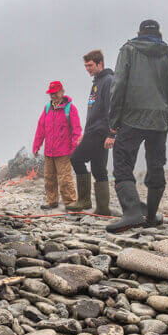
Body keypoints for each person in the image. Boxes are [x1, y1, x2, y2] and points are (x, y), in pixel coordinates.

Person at [104, 20, 168, 233]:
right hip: (160, 120)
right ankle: (152, 216)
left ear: (139, 33)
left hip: (132, 117)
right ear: (159, 34)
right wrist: (167, 122)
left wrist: (114, 121)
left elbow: (118, 86)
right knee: (156, 165)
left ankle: (132, 213)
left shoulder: (129, 50)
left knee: (123, 162)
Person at [66, 50, 114, 215]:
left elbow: (111, 110)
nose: (87, 69)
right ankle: (103, 208)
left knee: (76, 158)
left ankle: (84, 201)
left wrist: (111, 134)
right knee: (99, 169)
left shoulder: (108, 81)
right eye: (86, 66)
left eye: (90, 65)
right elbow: (92, 112)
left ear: (100, 63)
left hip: (100, 132)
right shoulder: (96, 83)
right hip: (92, 131)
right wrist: (84, 133)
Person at [33, 81, 82, 209]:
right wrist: (36, 145)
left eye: (55, 93)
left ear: (62, 92)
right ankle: (52, 201)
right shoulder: (47, 108)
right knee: (49, 179)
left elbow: (77, 130)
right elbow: (41, 128)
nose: (53, 96)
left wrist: (74, 149)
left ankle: (71, 202)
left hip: (64, 152)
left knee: (65, 179)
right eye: (51, 93)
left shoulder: (70, 108)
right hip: (49, 151)